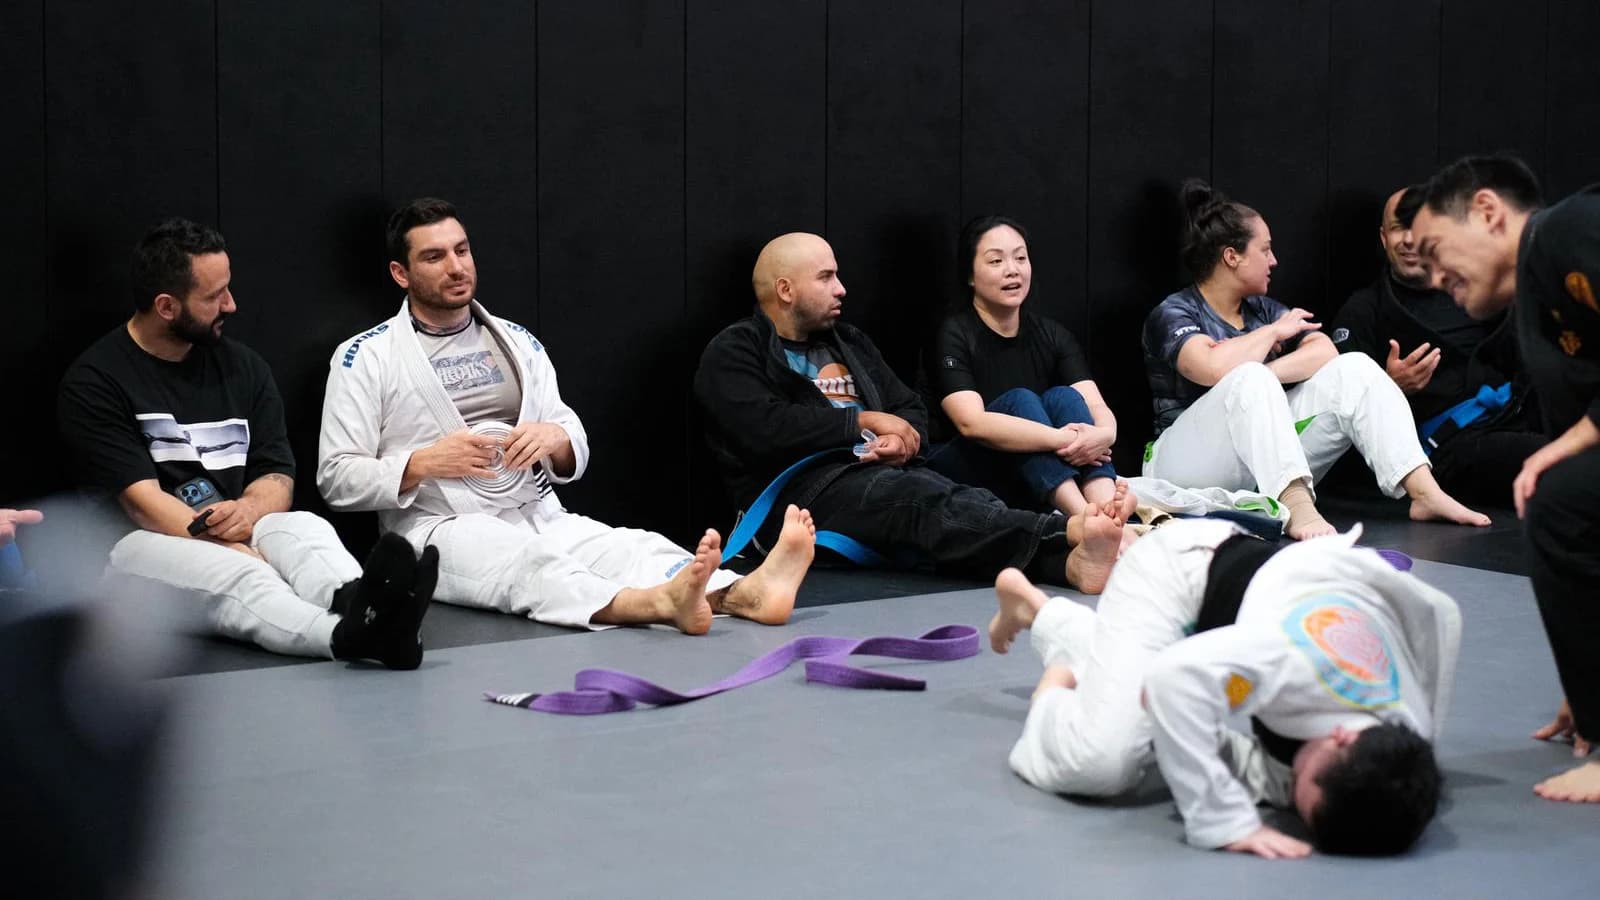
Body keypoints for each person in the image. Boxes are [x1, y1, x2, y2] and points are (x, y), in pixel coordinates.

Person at [318, 198, 815, 634]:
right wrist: (422, 463)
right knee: (531, 566)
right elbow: (337, 477)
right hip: (437, 527)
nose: (455, 266)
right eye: (434, 256)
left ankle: (743, 592)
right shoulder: (364, 357)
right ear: (400, 274)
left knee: (633, 547)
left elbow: (569, 430)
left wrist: (552, 437)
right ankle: (657, 605)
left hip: (535, 511)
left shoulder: (517, 341)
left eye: (462, 250)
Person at [57, 219, 434, 669]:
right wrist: (237, 548)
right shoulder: (97, 380)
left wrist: (250, 513)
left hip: (236, 522)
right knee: (243, 574)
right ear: (166, 306)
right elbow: (143, 504)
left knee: (304, 529)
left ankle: (369, 607)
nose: (231, 305)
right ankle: (349, 635)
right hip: (133, 549)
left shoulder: (244, 368)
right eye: (214, 296)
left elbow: (277, 476)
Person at [990, 518, 1455, 858]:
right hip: (1174, 577)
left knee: (1257, 766)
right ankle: (1053, 695)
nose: (1295, 800)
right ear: (1343, 736)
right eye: (1307, 789)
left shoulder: (1408, 733)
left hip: (1252, 594)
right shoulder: (1291, 662)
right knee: (1104, 761)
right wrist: (1226, 821)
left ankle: (1049, 616)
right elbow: (1172, 679)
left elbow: (1444, 612)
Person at [693, 232, 1129, 594]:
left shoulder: (849, 342)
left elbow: (908, 408)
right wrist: (862, 422)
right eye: (826, 278)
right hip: (805, 493)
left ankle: (1070, 566)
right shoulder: (735, 350)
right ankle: (1069, 532)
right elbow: (762, 428)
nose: (841, 288)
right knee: (925, 502)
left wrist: (902, 438)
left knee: (957, 506)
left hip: (887, 473)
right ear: (785, 290)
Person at [1141, 179, 1489, 539]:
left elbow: (1325, 351)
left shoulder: (1264, 309)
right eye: (1265, 250)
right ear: (1232, 256)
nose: (1274, 261)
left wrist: (1265, 376)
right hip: (1180, 465)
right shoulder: (1175, 312)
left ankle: (1423, 491)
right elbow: (1211, 368)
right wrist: (1271, 338)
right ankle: (1296, 504)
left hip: (1254, 464)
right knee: (1249, 377)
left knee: (1355, 368)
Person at [1411, 154, 1600, 802]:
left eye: (1436, 251)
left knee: (1561, 499)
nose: (1435, 279)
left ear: (1489, 213)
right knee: (1568, 501)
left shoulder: (1568, 229)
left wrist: (1574, 443)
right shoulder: (1532, 306)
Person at [1331, 186, 1544, 507]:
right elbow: (1336, 411)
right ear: (1383, 237)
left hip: (1520, 414)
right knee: (1568, 464)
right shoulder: (1364, 310)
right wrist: (1390, 387)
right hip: (1450, 447)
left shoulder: (1478, 290)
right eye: (1398, 228)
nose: (1409, 240)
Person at [925, 215, 1119, 516]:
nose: (1012, 270)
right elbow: (970, 423)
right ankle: (1084, 520)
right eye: (996, 261)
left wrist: (1105, 434)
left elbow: (1093, 403)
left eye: (1020, 258)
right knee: (1021, 400)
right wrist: (1063, 439)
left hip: (1031, 474)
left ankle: (1107, 513)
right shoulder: (953, 334)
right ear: (970, 276)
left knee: (1064, 398)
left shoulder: (1052, 335)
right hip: (963, 472)